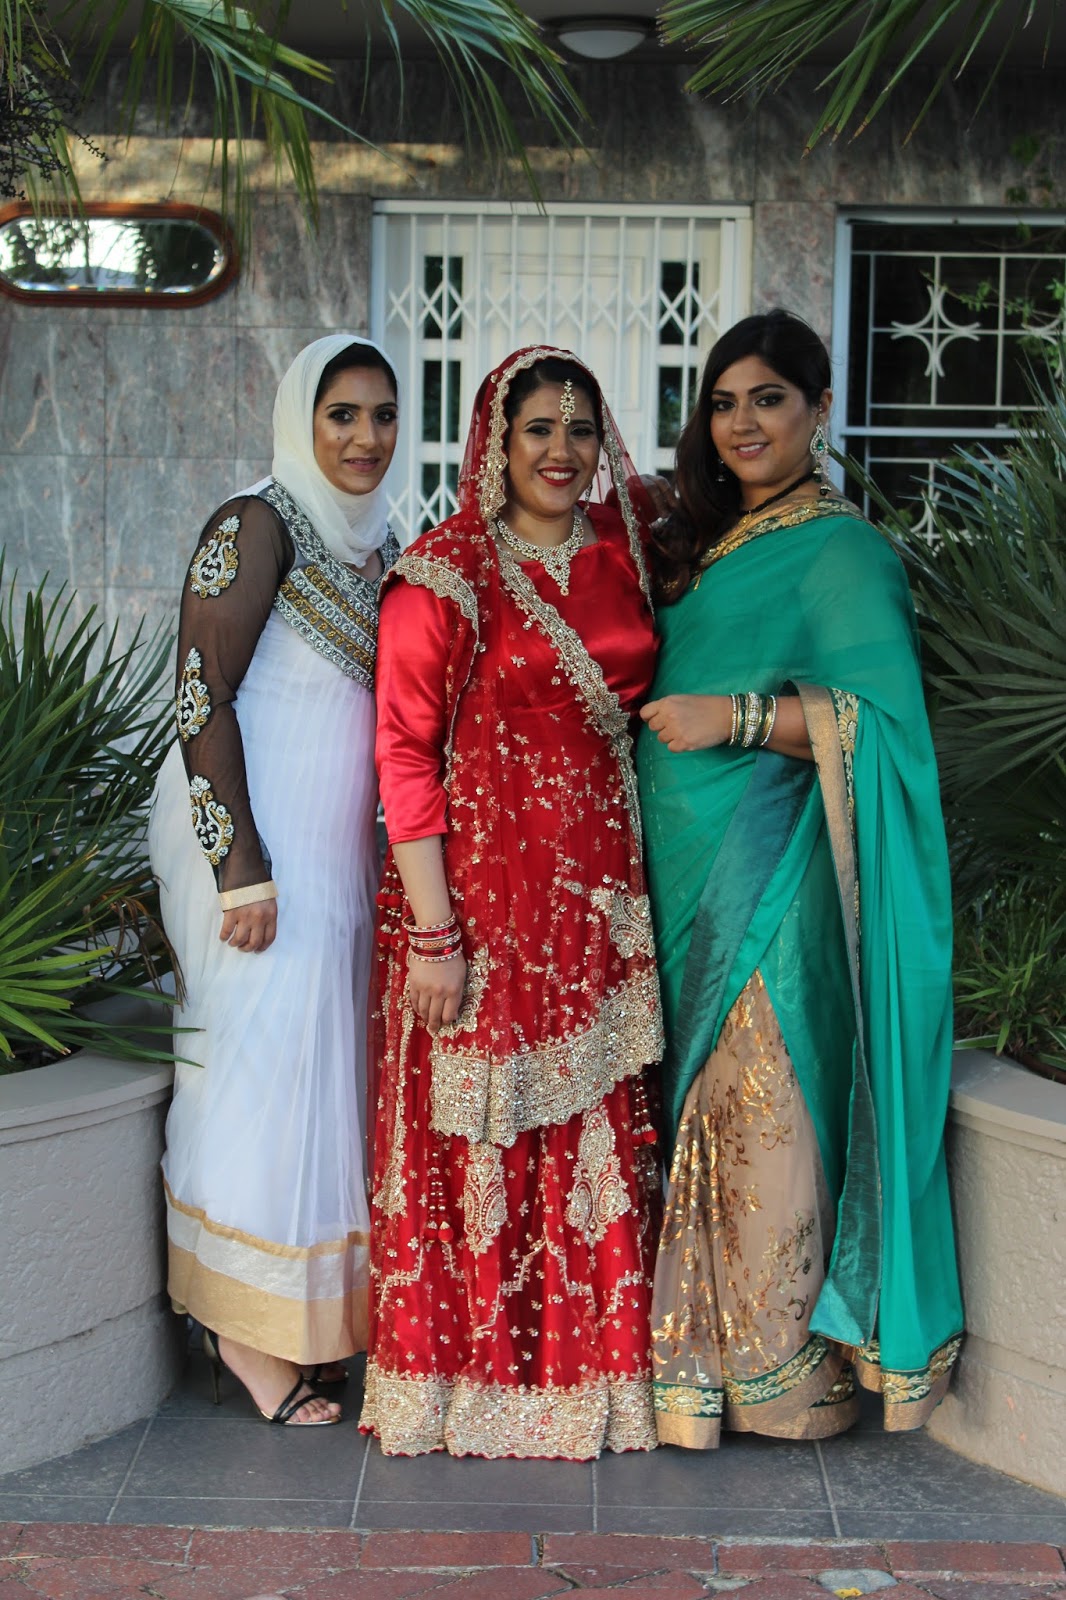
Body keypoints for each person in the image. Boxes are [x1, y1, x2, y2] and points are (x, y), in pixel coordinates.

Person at [637, 309, 963, 1449]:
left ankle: (779, 1369)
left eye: (768, 399)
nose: (743, 423)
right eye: (724, 402)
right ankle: (700, 1369)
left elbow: (885, 728)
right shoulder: (709, 539)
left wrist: (731, 717)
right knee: (699, 1110)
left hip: (774, 872)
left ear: (819, 409)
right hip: (681, 876)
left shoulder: (843, 551)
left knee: (760, 1103)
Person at [360, 347, 663, 1459]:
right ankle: (470, 1385)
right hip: (481, 909)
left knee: (589, 1132)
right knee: (482, 1135)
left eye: (581, 429)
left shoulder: (622, 553)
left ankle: (595, 1385)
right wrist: (434, 935)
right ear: (496, 439)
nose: (561, 451)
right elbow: (404, 757)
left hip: (597, 906)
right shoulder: (443, 576)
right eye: (538, 427)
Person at [148, 334, 401, 1427]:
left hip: (335, 857)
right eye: (341, 413)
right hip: (254, 856)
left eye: (383, 414)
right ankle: (242, 1335)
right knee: (253, 1072)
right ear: (301, 416)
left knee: (316, 1079)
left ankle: (297, 1318)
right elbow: (199, 692)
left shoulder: (378, 541)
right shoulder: (253, 522)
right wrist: (238, 867)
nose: (364, 436)